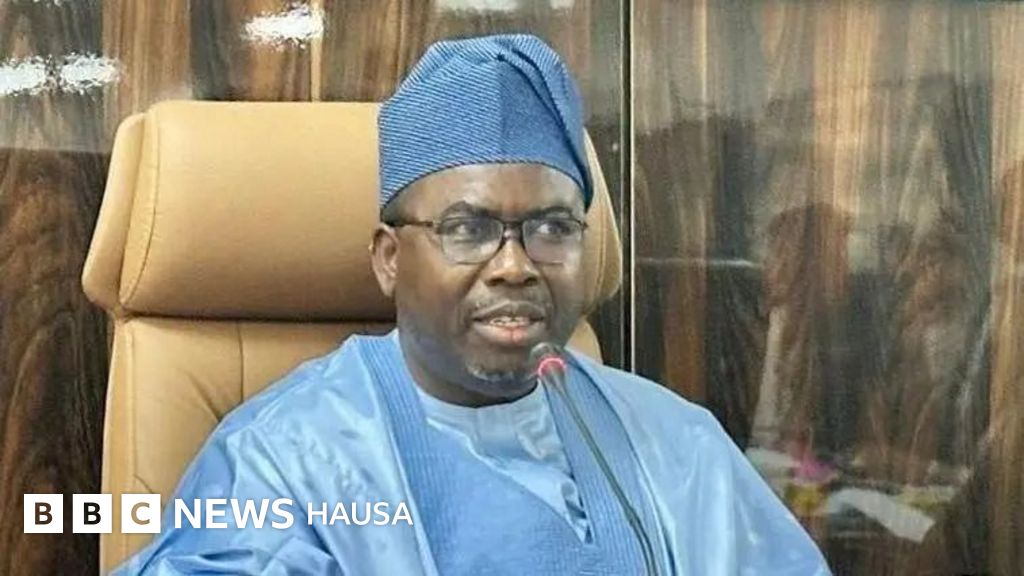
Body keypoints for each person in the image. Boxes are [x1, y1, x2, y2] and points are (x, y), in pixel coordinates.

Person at [113, 34, 830, 575]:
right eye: (468, 229)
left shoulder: (677, 447)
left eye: (553, 228)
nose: (515, 266)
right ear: (390, 259)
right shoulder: (286, 462)